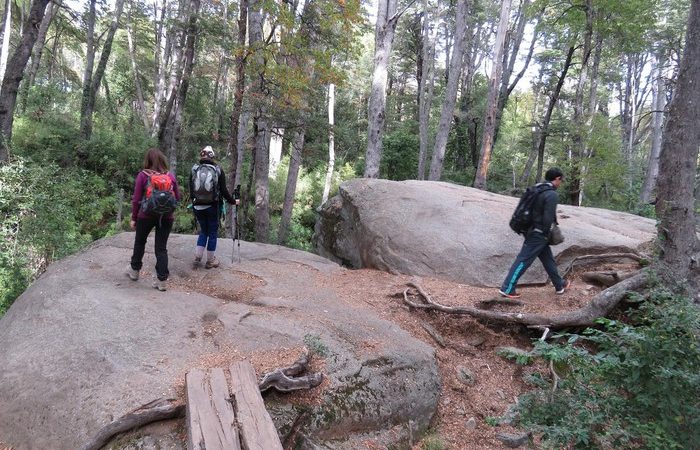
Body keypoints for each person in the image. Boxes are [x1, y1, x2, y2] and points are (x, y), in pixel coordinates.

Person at [499, 167, 571, 299]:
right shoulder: (551, 194)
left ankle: (559, 285)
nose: (561, 183)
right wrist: (545, 234)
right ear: (557, 179)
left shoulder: (537, 189)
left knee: (548, 259)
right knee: (523, 260)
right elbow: (548, 218)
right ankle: (507, 288)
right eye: (561, 180)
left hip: (530, 230)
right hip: (539, 234)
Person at [126, 148, 181, 291]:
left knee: (140, 242)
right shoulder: (170, 176)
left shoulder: (143, 176)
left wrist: (134, 218)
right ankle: (162, 280)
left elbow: (137, 199)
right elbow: (177, 198)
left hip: (145, 216)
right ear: (162, 159)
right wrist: (168, 211)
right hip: (166, 217)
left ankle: (134, 271)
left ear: (148, 160)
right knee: (161, 248)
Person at [190, 146, 238, 269]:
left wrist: (194, 204)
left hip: (198, 206)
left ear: (202, 155)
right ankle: (210, 260)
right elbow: (223, 191)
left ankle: (197, 256)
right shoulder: (217, 170)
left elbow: (191, 190)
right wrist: (233, 201)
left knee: (203, 231)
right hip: (212, 206)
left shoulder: (195, 169)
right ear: (212, 156)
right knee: (212, 232)